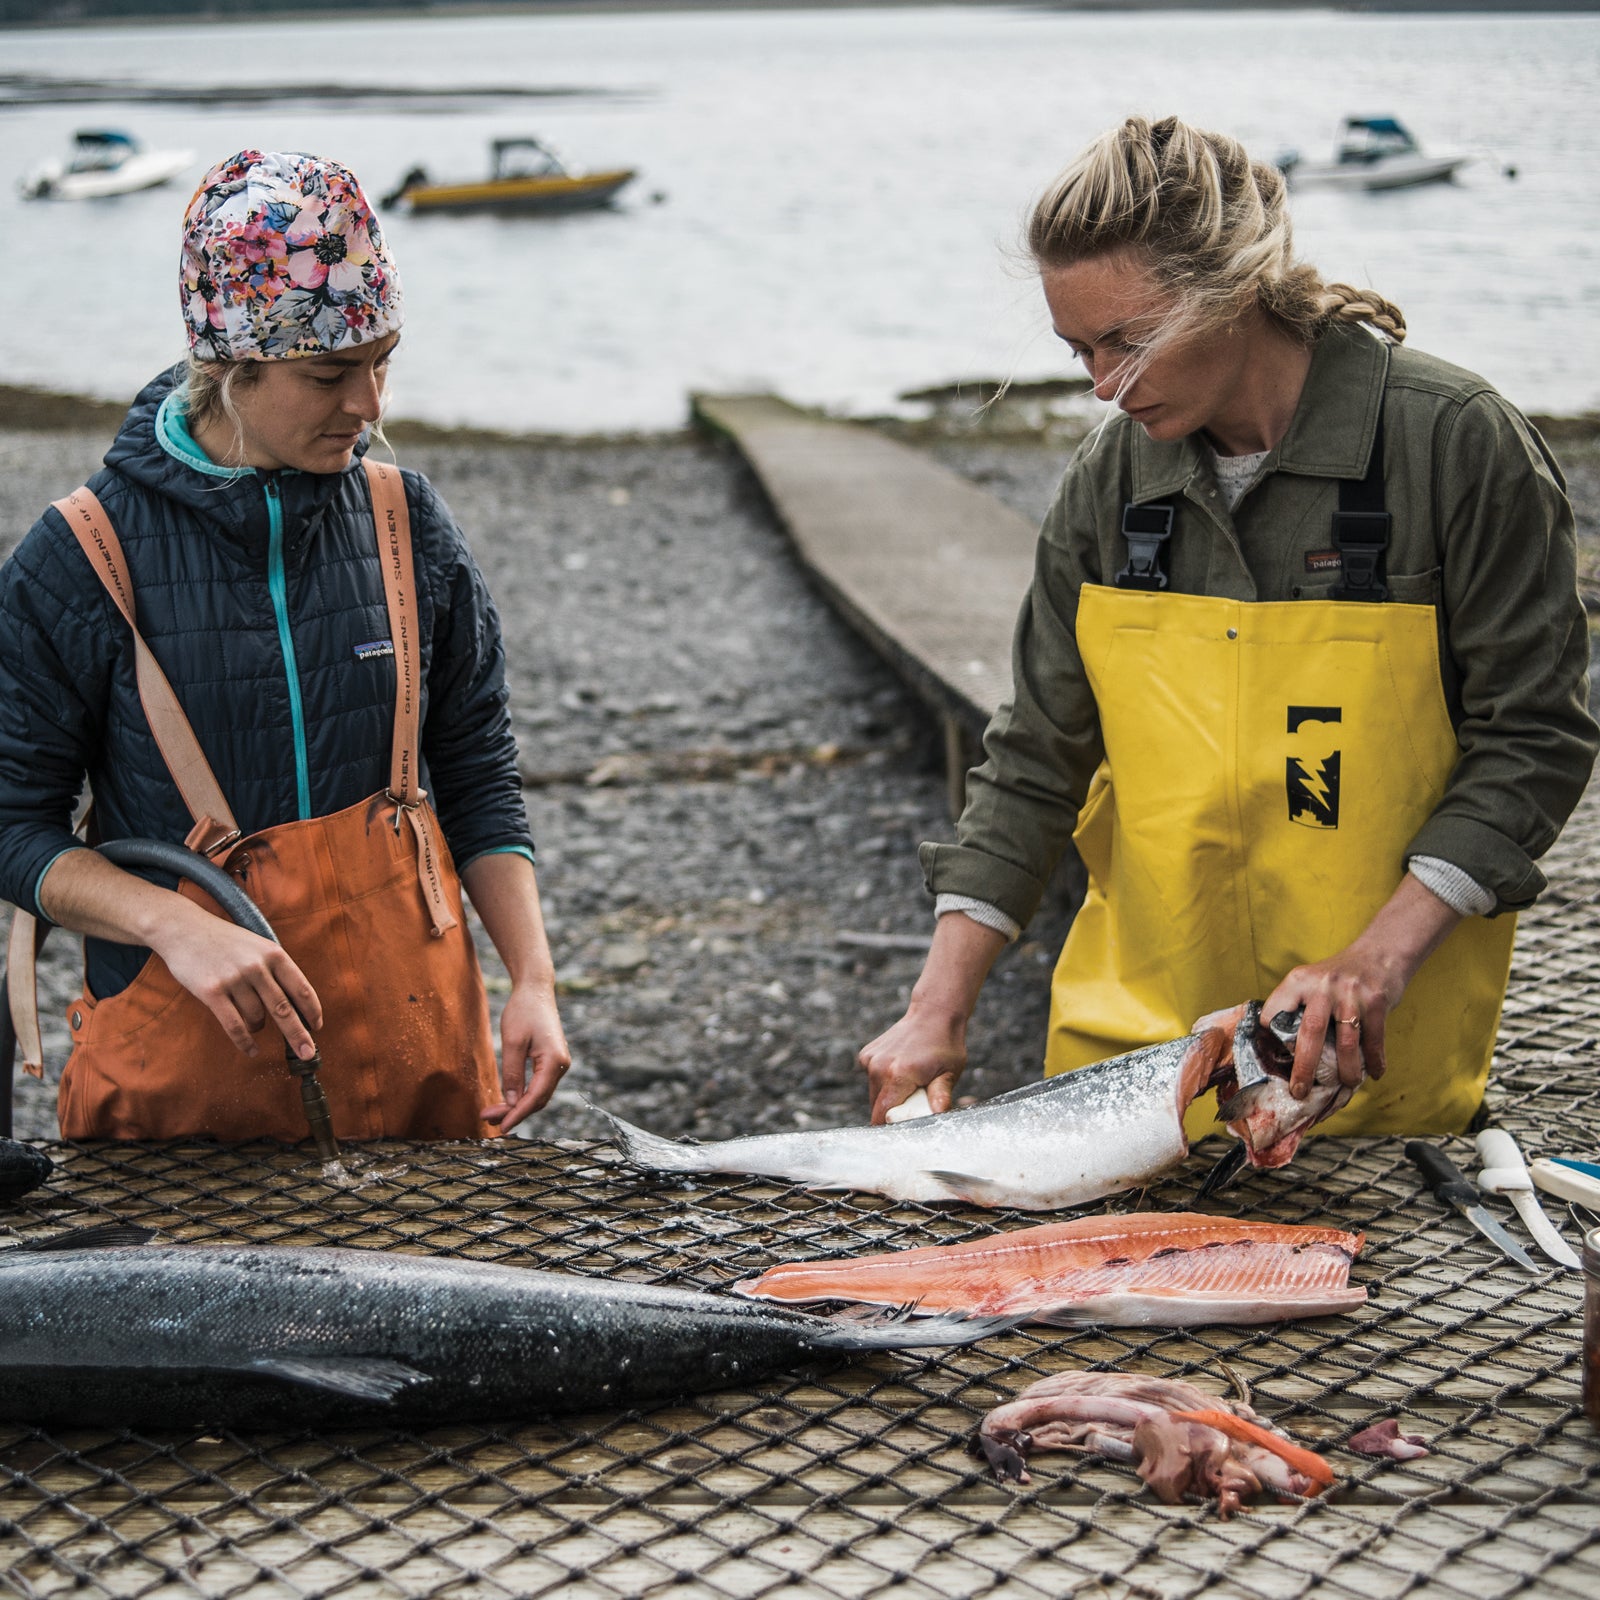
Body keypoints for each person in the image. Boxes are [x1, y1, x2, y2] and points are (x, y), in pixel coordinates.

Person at [860, 115, 1597, 1138]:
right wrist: (934, 1010)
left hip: (1367, 1078)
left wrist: (1372, 959)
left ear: (1237, 288)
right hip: (1126, 1080)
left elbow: (1535, 738)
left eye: (1130, 339)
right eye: (1080, 351)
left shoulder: (1455, 445)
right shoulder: (1110, 478)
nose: (1106, 384)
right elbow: (1034, 755)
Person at [0, 150, 570, 1141]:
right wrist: (170, 921)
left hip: (417, 1050)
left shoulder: (407, 522)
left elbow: (478, 767)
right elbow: (12, 827)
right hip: (184, 1081)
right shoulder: (80, 556)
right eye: (329, 372)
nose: (370, 405)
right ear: (232, 365)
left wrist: (533, 978)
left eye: (383, 359)